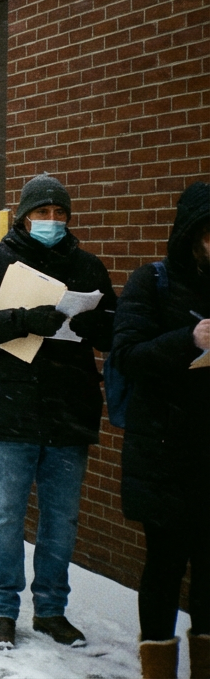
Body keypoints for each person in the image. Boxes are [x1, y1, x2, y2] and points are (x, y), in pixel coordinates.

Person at [0, 173, 116, 650]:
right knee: (5, 515)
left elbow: (114, 329)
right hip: (11, 407)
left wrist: (94, 326)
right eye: (41, 213)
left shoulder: (87, 267)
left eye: (59, 213)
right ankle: (2, 608)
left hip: (69, 408)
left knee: (61, 519)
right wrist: (24, 320)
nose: (51, 221)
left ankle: (51, 609)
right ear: (23, 216)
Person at [112, 181, 210, 679]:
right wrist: (188, 339)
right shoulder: (152, 282)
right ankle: (158, 671)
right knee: (166, 567)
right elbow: (128, 356)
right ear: (192, 234)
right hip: (165, 451)